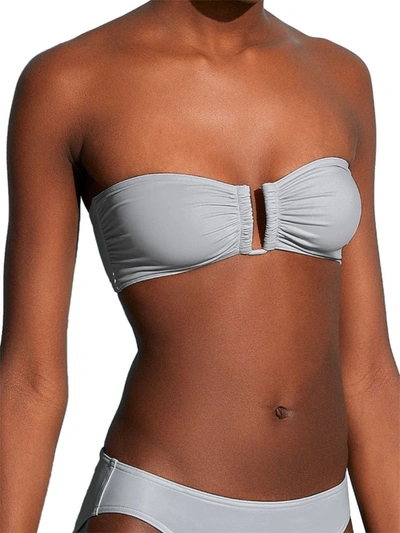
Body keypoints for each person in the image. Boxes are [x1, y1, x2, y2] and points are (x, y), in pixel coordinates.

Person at [0, 0, 399, 532]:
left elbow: (369, 370)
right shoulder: (69, 82)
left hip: (325, 514)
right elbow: (29, 378)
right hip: (156, 507)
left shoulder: (341, 76)